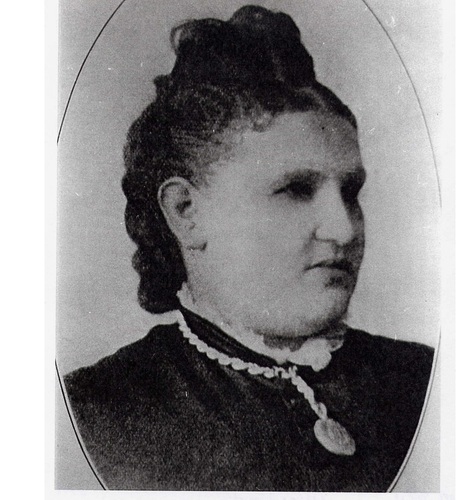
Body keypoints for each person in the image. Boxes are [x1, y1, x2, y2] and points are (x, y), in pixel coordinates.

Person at [63, 5, 434, 492]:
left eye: (350, 192)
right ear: (186, 212)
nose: (344, 230)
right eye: (296, 189)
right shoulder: (94, 412)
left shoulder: (428, 380)